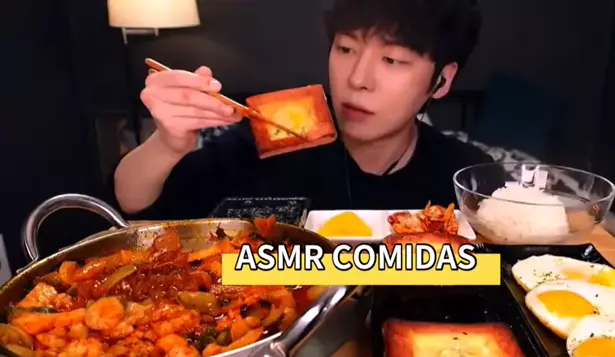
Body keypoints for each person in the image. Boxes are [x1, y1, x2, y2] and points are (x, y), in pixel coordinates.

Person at [110, 0, 498, 220]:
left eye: (392, 60)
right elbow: (136, 204)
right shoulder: (279, 126)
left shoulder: (469, 178)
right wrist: (166, 144)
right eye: (346, 49)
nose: (358, 79)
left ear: (442, 80)